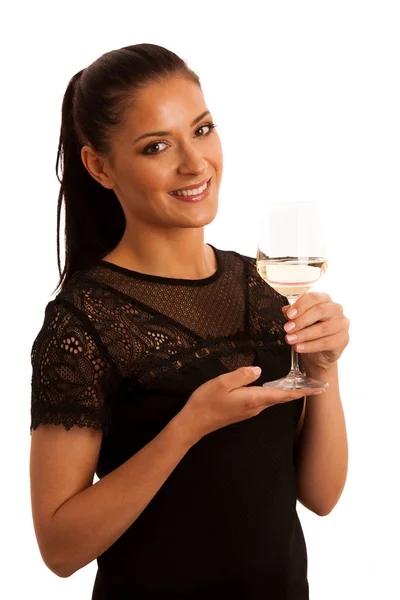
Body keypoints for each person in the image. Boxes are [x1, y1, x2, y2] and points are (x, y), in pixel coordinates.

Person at [29, 43, 350, 600]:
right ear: (99, 166)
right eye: (157, 146)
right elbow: (59, 548)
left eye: (201, 130)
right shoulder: (83, 321)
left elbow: (320, 496)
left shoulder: (265, 286)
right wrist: (187, 428)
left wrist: (324, 367)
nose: (195, 163)